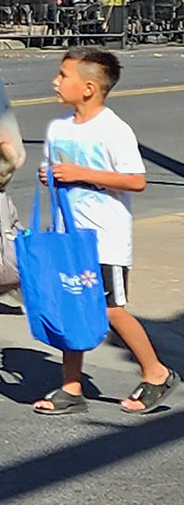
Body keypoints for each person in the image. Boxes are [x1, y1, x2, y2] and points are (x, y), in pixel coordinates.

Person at [32, 48, 175, 416]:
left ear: (89, 88)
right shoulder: (58, 128)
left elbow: (136, 180)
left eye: (64, 75)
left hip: (105, 238)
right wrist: (49, 175)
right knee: (71, 306)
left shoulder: (114, 129)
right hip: (68, 236)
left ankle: (156, 372)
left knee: (111, 310)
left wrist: (81, 173)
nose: (55, 82)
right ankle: (71, 386)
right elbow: (54, 170)